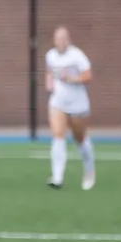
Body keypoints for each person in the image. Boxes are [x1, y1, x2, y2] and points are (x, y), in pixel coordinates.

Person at [45, 26, 95, 190]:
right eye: (57, 39)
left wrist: (72, 79)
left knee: (79, 137)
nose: (60, 42)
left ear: (68, 40)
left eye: (63, 39)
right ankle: (57, 177)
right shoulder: (50, 55)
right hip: (58, 101)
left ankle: (89, 169)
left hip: (77, 103)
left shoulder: (77, 55)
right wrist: (49, 83)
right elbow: (49, 71)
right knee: (58, 134)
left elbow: (88, 75)